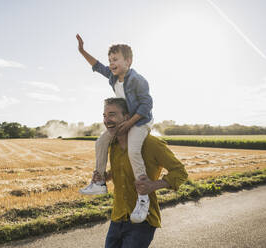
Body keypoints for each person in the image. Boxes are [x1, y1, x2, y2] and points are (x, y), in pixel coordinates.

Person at [77, 34, 154, 223]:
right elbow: (97, 66)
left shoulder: (137, 80)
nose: (111, 63)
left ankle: (144, 198)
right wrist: (81, 50)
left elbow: (146, 105)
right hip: (124, 121)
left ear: (128, 61)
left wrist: (129, 123)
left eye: (116, 59)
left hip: (140, 121)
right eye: (110, 60)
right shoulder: (113, 77)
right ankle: (100, 182)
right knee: (101, 142)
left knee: (133, 151)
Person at [97, 97, 188, 247]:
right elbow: (119, 169)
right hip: (117, 217)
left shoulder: (151, 144)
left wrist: (154, 185)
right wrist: (105, 176)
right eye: (104, 116)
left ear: (127, 117)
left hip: (142, 221)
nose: (107, 120)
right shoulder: (112, 145)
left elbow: (180, 171)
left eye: (112, 114)